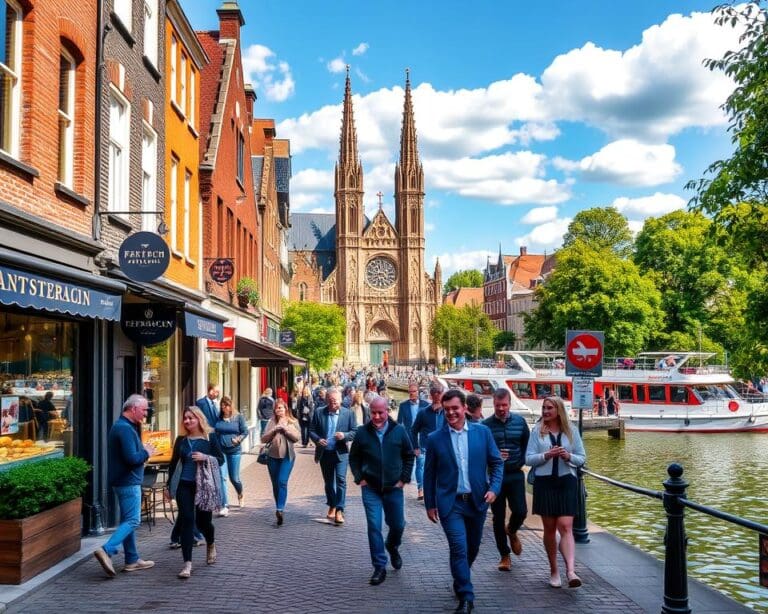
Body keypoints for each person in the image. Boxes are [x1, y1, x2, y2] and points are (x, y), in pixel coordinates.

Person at [423, 389, 503, 613]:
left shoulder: (482, 433)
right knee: (458, 547)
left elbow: (497, 463)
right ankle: (467, 598)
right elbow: (429, 475)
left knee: (472, 548)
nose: (451, 413)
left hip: (477, 502)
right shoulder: (435, 439)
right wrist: (430, 504)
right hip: (451, 504)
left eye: (455, 408)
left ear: (465, 408)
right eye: (447, 409)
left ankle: (460, 577)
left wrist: (494, 488)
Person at [350, 394, 415, 585]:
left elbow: (409, 455)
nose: (377, 417)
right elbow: (354, 458)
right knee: (374, 526)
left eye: (380, 412)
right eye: (373, 413)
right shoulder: (362, 432)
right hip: (370, 488)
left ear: (387, 411)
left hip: (393, 488)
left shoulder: (399, 431)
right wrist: (359, 477)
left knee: (398, 525)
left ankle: (392, 546)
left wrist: (403, 479)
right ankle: (379, 566)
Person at [525, 395, 586, 589]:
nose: (545, 412)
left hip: (567, 481)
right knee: (550, 528)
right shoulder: (537, 432)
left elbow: (581, 458)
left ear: (558, 410)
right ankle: (554, 570)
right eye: (544, 408)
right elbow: (528, 459)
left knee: (566, 525)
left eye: (549, 408)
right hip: (545, 483)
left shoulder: (571, 431)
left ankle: (570, 571)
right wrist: (546, 455)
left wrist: (568, 456)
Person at [93, 394, 157, 577]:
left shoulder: (121, 427)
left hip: (122, 481)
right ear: (133, 408)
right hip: (128, 482)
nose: (146, 413)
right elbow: (132, 458)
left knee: (127, 520)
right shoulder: (125, 429)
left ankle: (132, 559)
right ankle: (108, 549)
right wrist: (146, 452)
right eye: (144, 409)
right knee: (133, 520)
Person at [167, 406, 225, 579]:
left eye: (191, 418)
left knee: (203, 523)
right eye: (185, 418)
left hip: (204, 487)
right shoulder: (181, 441)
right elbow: (173, 465)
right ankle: (187, 564)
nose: (187, 421)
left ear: (199, 419)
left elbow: (221, 459)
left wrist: (205, 457)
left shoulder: (210, 438)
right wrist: (169, 488)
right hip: (184, 486)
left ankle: (211, 542)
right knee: (187, 520)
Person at [483, 389, 530, 571]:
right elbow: (482, 451)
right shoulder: (486, 426)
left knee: (521, 511)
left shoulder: (520, 422)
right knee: (498, 517)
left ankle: (511, 529)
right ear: (493, 404)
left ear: (510, 404)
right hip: (496, 476)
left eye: (504, 405)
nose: (501, 409)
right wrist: (494, 456)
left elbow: (527, 445)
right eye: (497, 405)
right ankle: (504, 555)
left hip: (515, 473)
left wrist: (521, 460)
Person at [309, 388, 357, 524]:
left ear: (341, 400)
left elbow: (355, 431)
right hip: (325, 453)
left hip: (341, 453)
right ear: (326, 400)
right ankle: (332, 504)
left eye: (335, 402)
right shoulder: (319, 413)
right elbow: (311, 430)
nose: (332, 404)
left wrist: (344, 436)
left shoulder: (348, 414)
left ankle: (340, 510)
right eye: (330, 402)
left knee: (341, 480)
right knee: (329, 483)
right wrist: (318, 440)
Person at [261, 398, 300, 525]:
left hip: (287, 457)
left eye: (281, 408)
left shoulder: (292, 421)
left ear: (286, 409)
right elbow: (263, 439)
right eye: (277, 408)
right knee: (275, 484)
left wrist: (286, 429)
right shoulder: (271, 422)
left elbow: (297, 438)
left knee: (282, 481)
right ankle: (279, 507)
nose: (279, 410)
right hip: (272, 457)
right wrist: (274, 430)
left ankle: (280, 509)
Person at [196, 384, 229, 516]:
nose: (217, 394)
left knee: (221, 474)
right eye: (216, 391)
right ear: (210, 390)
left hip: (218, 441)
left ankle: (223, 503)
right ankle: (211, 501)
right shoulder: (200, 403)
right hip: (207, 439)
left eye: (218, 392)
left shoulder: (218, 405)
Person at [411, 382, 445, 501]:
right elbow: (413, 430)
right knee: (424, 470)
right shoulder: (423, 412)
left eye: (439, 393)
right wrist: (416, 447)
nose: (437, 396)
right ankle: (422, 490)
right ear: (431, 395)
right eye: (435, 394)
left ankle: (436, 494)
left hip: (442, 449)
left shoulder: (447, 412)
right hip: (425, 448)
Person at [215, 395, 248, 508]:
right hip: (221, 451)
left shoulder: (238, 417)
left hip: (234, 451)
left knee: (234, 478)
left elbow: (245, 432)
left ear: (230, 406)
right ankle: (225, 504)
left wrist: (238, 439)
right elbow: (215, 432)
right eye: (222, 406)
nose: (224, 408)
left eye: (226, 406)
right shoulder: (218, 418)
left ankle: (240, 493)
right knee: (222, 477)